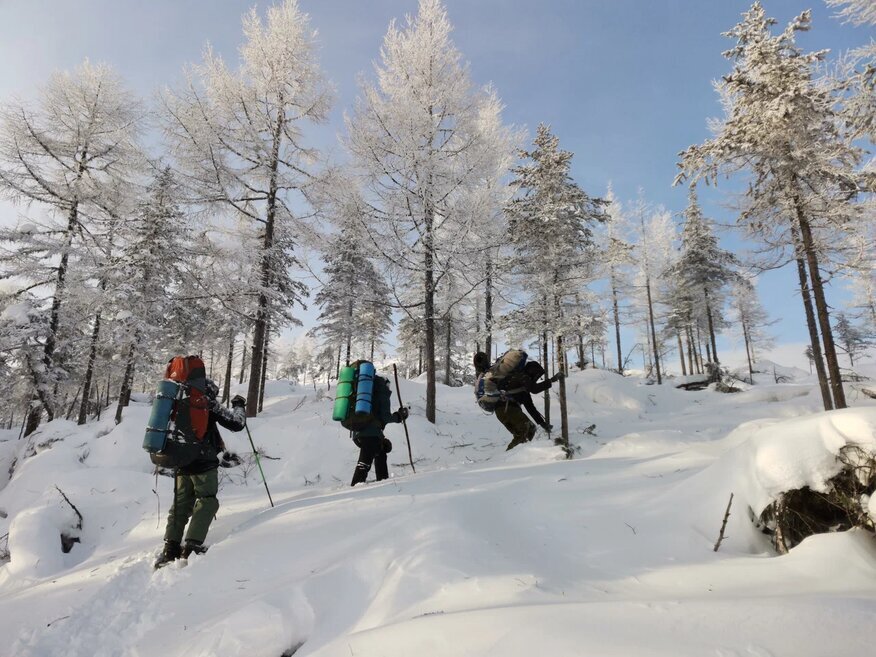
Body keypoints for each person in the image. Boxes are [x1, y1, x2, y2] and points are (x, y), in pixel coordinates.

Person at [154, 380, 246, 568]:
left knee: (180, 504)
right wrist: (239, 406)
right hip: (204, 464)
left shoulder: (176, 402)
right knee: (206, 500)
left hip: (180, 463)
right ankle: (192, 546)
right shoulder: (207, 403)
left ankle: (170, 549)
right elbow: (237, 424)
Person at [474, 352, 563, 451]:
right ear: (533, 372)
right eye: (536, 376)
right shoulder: (521, 376)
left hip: (502, 412)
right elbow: (535, 389)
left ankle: (510, 458)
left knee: (523, 434)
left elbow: (530, 407)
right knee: (527, 429)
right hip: (508, 408)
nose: (535, 379)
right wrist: (552, 380)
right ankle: (508, 458)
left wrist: (542, 423)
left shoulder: (521, 388)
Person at [350, 372, 409, 486]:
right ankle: (355, 488)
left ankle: (383, 482)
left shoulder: (368, 394)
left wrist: (381, 438)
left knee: (381, 451)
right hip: (370, 434)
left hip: (358, 432)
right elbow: (385, 417)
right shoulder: (382, 393)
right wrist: (400, 416)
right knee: (364, 463)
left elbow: (376, 419)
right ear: (385, 383)